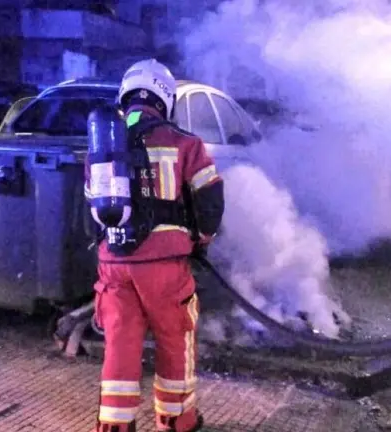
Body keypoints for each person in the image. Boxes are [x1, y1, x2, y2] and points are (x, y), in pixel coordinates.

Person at [84, 59, 225, 432]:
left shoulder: (103, 147)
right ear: (165, 98)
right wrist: (201, 239)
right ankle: (176, 421)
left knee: (121, 345)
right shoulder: (185, 143)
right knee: (174, 340)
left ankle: (115, 424)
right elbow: (211, 204)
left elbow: (90, 212)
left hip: (114, 264)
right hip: (164, 267)